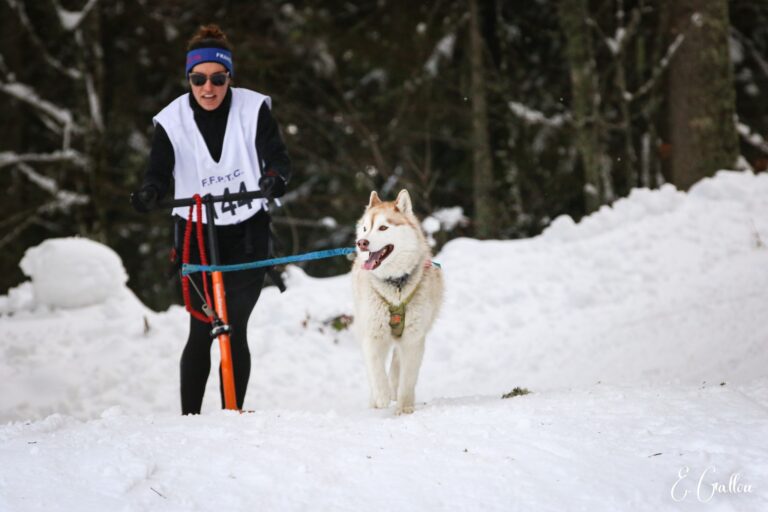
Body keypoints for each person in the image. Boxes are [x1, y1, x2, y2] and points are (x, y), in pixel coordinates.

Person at [131, 24, 291, 414]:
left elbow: (278, 158)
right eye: (198, 79)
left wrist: (272, 178)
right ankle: (190, 420)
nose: (208, 88)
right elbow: (158, 169)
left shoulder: (253, 109)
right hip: (196, 234)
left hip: (248, 230)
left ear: (229, 78)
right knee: (202, 328)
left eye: (217, 79)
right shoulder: (172, 121)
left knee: (233, 327)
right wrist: (150, 190)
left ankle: (230, 418)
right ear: (188, 79)